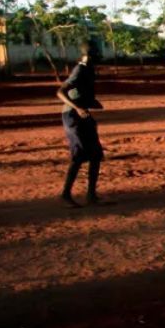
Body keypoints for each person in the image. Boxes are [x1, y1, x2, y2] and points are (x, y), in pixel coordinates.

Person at [56, 42, 105, 207]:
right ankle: (65, 194)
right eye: (97, 54)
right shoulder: (80, 69)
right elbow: (60, 91)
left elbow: (80, 93)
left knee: (96, 154)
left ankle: (91, 195)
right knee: (79, 155)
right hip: (72, 115)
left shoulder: (88, 70)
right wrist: (77, 108)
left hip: (83, 114)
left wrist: (91, 102)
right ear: (90, 56)